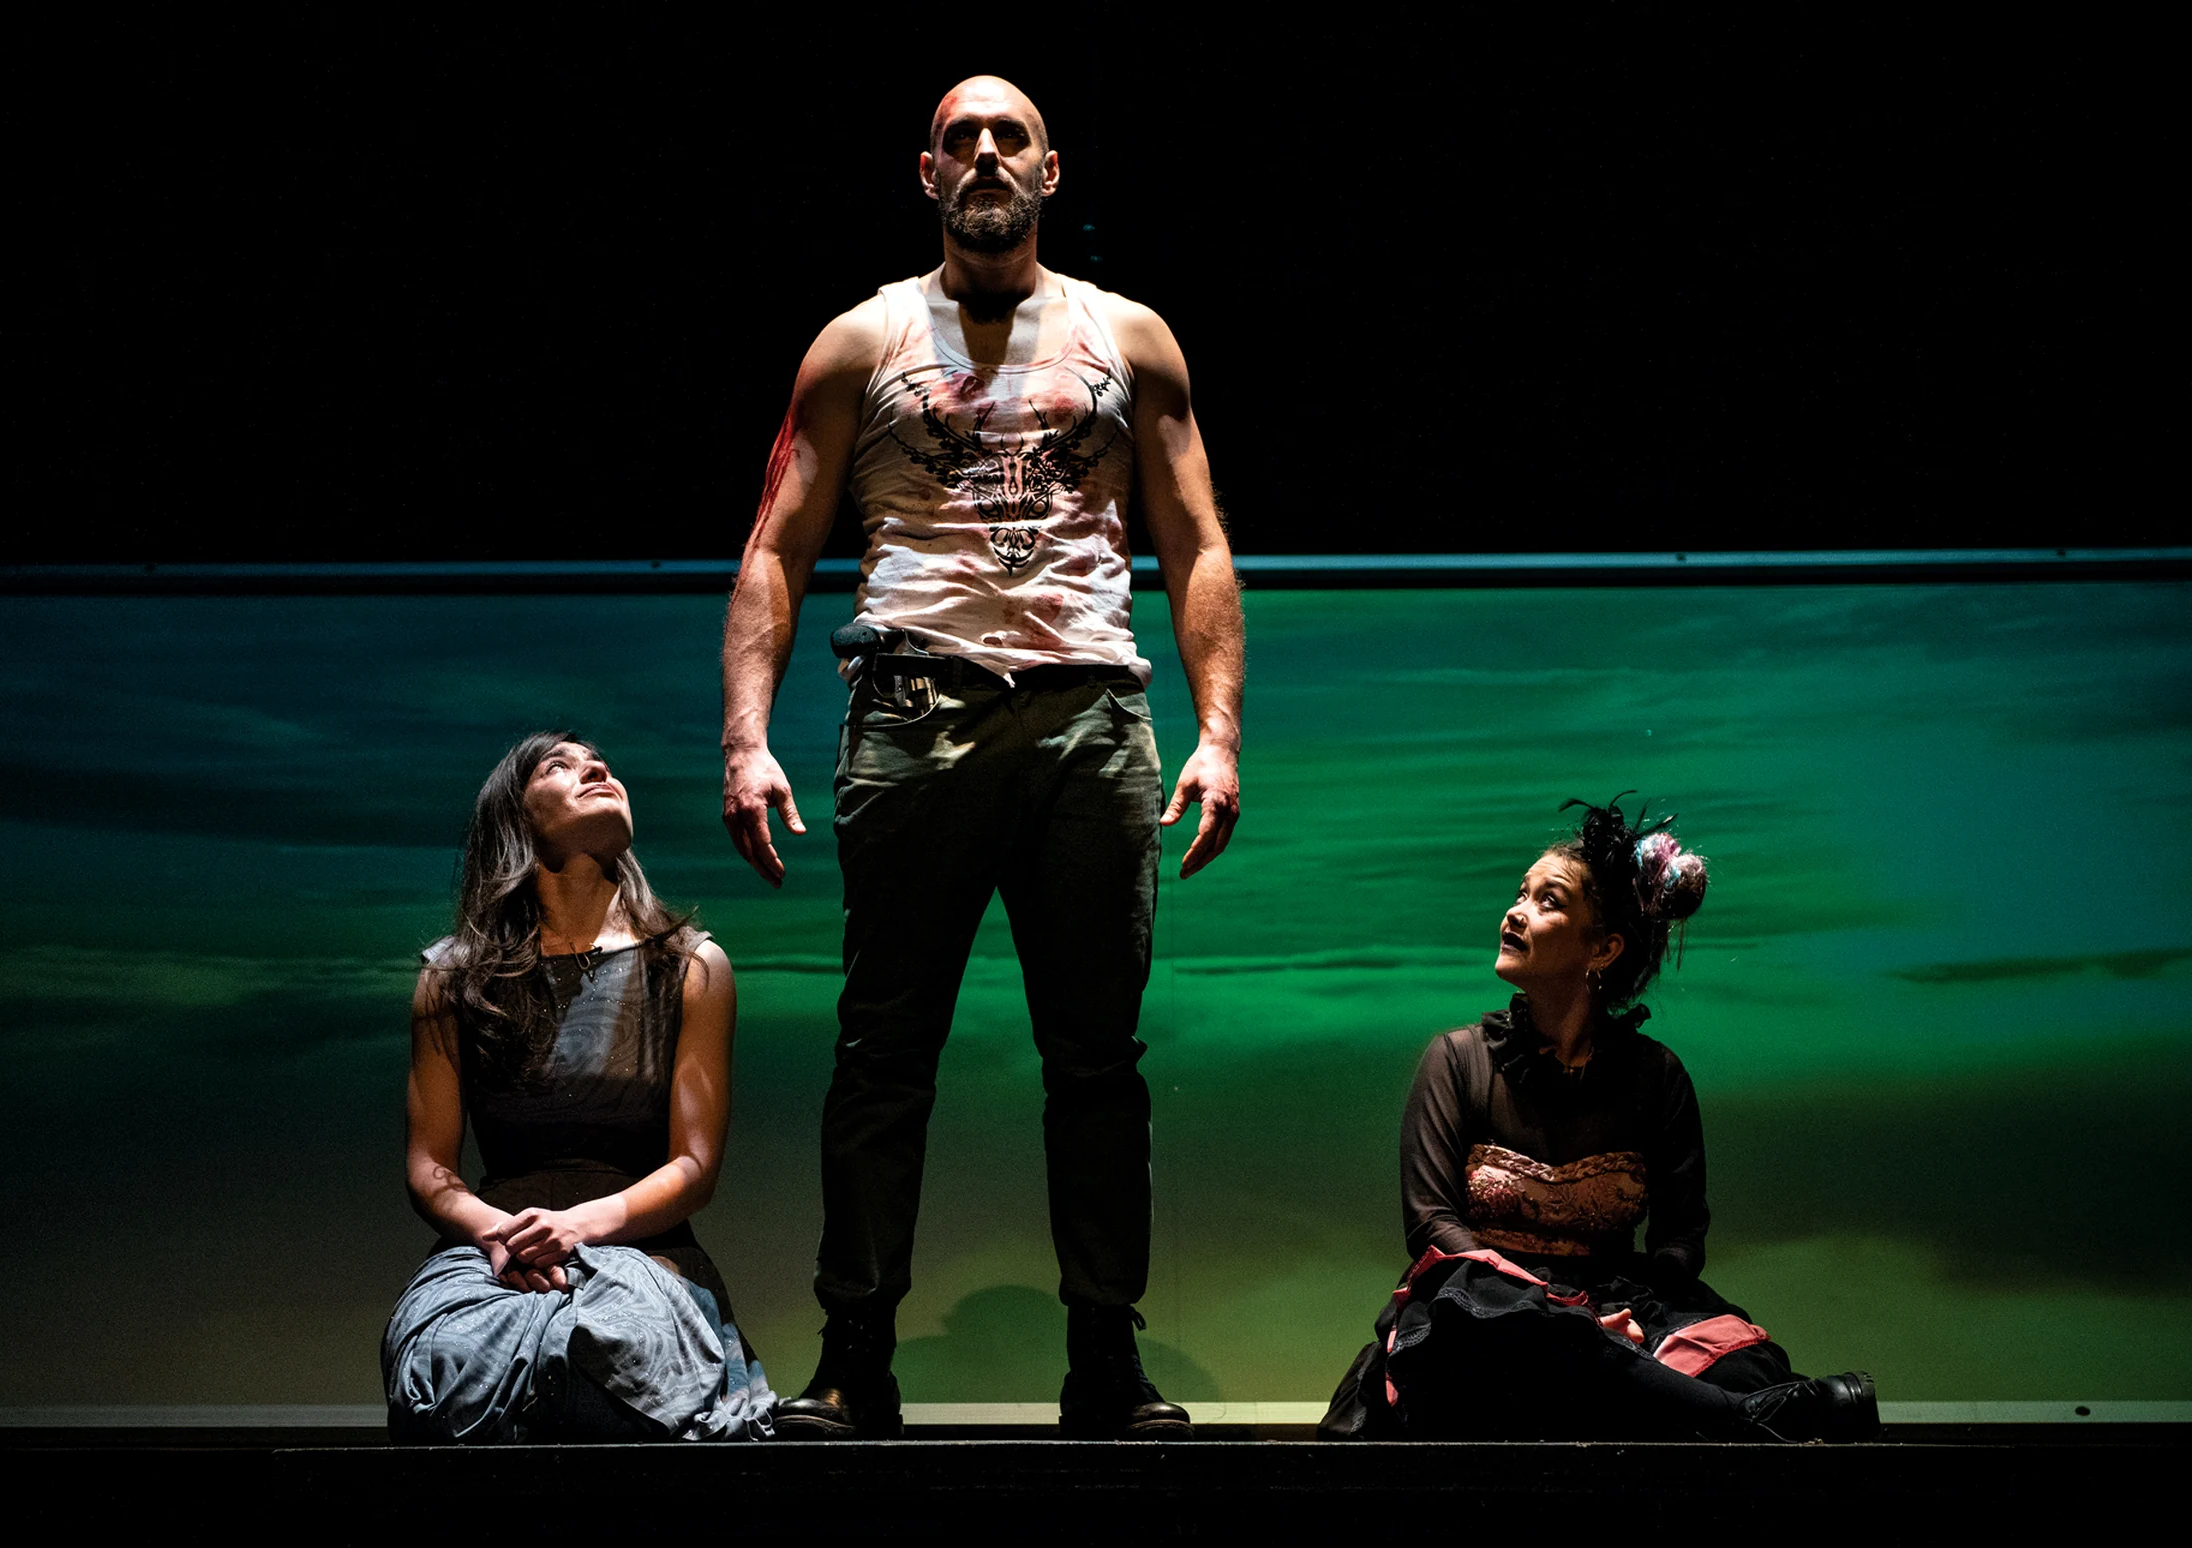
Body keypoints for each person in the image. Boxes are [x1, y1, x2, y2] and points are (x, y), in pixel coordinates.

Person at [719, 75, 1245, 1439]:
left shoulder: (1131, 337)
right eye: (964, 138)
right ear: (928, 171)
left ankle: (1104, 1359)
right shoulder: (861, 341)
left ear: (1051, 171)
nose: (989, 155)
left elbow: (1195, 541)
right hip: (916, 710)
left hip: (1088, 719)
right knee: (882, 1050)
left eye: (1012, 138)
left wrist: (1218, 733)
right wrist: (746, 738)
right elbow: (778, 545)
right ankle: (854, 1357)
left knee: (1097, 1058)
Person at [1321, 796, 1878, 1442]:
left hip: (1617, 1300)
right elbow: (1431, 1227)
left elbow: (1679, 1236)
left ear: (1604, 947)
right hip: (1492, 1303)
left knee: (1738, 1363)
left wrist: (1626, 1315)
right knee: (1490, 1333)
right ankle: (1748, 1419)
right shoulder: (1457, 1061)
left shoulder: (1657, 1078)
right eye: (1520, 894)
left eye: (1547, 901)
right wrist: (1563, 1316)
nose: (1515, 911)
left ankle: (1663, 1382)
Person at [382, 732, 774, 1442]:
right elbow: (429, 1167)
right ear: (514, 816)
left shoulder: (690, 967)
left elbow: (694, 1166)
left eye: (600, 762)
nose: (595, 767)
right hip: (497, 1252)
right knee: (452, 1365)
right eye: (558, 766)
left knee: (620, 1351)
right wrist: (498, 1233)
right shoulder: (451, 978)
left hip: (642, 1248)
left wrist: (577, 1228)